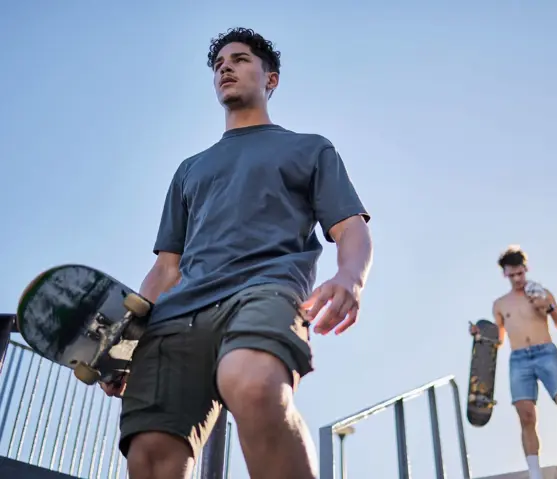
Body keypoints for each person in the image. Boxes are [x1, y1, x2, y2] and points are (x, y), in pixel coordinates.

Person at [99, 27, 373, 479]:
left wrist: (350, 278)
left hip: (263, 292)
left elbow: (351, 229)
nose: (226, 66)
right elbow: (166, 268)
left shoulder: (310, 148)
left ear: (271, 79)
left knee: (254, 386)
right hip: (175, 318)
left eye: (241, 59)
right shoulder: (189, 170)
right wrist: (124, 345)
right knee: (150, 455)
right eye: (219, 63)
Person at [473, 246, 557, 479]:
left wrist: (549, 308)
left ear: (526, 269)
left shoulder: (541, 292)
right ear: (504, 274)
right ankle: (536, 475)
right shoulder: (500, 304)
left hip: (546, 352)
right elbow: (499, 340)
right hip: (519, 359)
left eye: (519, 274)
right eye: (511, 275)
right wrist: (480, 334)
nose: (516, 279)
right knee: (526, 417)